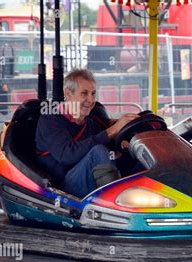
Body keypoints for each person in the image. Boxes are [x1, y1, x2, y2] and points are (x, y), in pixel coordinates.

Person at [35, 69, 139, 198]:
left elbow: (109, 154)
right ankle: (116, 200)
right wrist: (112, 131)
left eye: (93, 93)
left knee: (134, 153)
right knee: (98, 151)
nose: (91, 100)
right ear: (68, 93)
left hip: (87, 180)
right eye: (84, 93)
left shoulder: (90, 124)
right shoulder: (50, 120)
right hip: (61, 189)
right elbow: (67, 155)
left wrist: (127, 147)